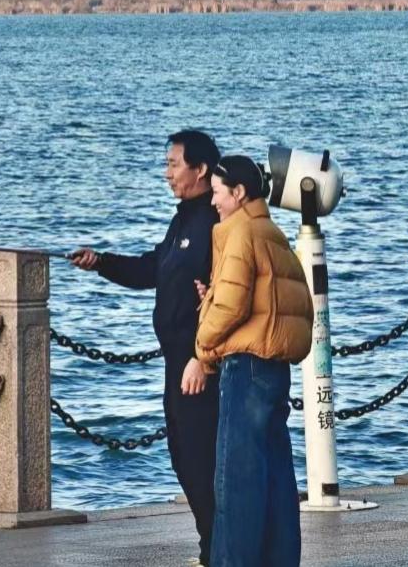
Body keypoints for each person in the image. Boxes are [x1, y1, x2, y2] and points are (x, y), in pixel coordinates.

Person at [72, 129, 221, 567]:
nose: (167, 173)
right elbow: (153, 268)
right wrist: (102, 263)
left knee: (201, 460)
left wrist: (204, 354)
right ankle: (211, 546)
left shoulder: (213, 221)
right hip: (175, 362)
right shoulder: (182, 221)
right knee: (183, 458)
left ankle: (219, 550)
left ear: (201, 170)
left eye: (174, 164)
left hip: (202, 365)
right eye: (167, 165)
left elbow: (227, 292)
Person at [195, 155, 314, 567]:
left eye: (217, 193)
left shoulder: (240, 233)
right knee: (275, 479)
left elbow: (231, 307)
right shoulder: (274, 234)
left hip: (244, 367)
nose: (213, 203)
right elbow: (294, 305)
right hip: (273, 369)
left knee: (236, 481)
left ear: (238, 192)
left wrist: (202, 344)